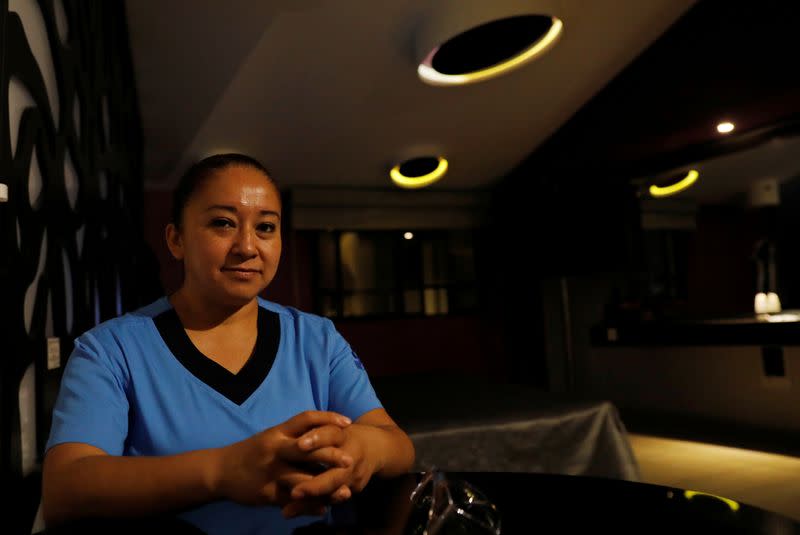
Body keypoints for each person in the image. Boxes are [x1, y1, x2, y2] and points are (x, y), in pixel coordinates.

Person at [41, 153, 416, 534]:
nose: (247, 247)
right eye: (223, 224)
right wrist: (222, 471)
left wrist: (359, 448)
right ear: (176, 239)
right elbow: (65, 490)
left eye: (266, 227)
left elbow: (398, 445)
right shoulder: (109, 350)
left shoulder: (316, 339)